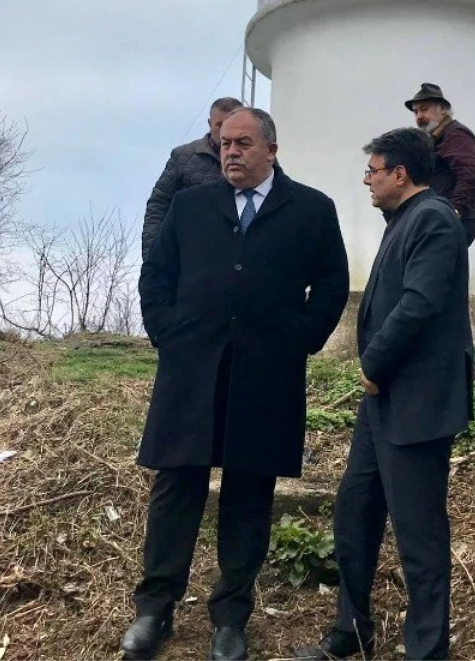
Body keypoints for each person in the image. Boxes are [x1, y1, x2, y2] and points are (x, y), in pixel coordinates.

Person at [123, 107, 350, 661]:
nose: (230, 152)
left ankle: (230, 618)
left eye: (243, 143)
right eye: (224, 143)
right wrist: (166, 331)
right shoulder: (190, 205)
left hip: (265, 375)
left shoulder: (312, 210)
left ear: (271, 149)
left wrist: (299, 339)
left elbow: (331, 284)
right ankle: (154, 611)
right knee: (176, 488)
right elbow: (157, 274)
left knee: (249, 495)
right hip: (190, 369)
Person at [294, 128, 473, 661]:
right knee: (355, 511)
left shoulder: (435, 220)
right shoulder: (404, 222)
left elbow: (420, 303)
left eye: (372, 170)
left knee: (419, 534)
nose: (366, 181)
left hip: (415, 401)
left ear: (400, 173)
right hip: (383, 405)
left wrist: (373, 362)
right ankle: (351, 631)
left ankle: (426, 650)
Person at [141, 96, 244, 258]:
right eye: (220, 125)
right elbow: (159, 205)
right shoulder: (183, 157)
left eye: (233, 125)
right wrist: (152, 257)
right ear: (210, 124)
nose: (226, 132)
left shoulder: (260, 159)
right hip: (190, 258)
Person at [405, 83, 475, 247]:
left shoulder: (456, 135)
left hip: (454, 219)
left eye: (424, 109)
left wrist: (453, 212)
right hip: (439, 217)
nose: (419, 116)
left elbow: (470, 178)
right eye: (416, 111)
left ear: (443, 109)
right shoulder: (434, 139)